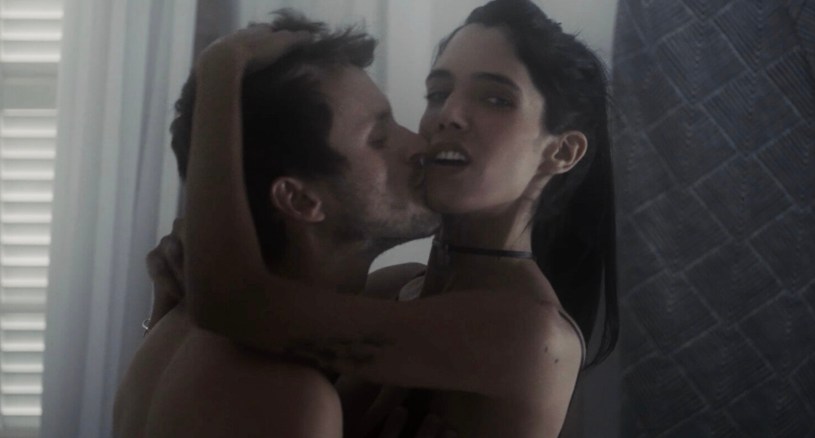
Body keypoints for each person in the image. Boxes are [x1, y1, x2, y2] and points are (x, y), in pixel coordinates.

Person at [180, 0, 619, 437]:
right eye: (438, 94)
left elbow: (234, 305)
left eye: (495, 99)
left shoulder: (528, 332)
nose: (449, 115)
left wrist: (221, 67)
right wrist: (170, 301)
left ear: (561, 151)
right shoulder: (395, 289)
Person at [113, 13, 450, 437]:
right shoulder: (293, 398)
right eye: (378, 140)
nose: (418, 145)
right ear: (300, 199)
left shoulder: (173, 331)